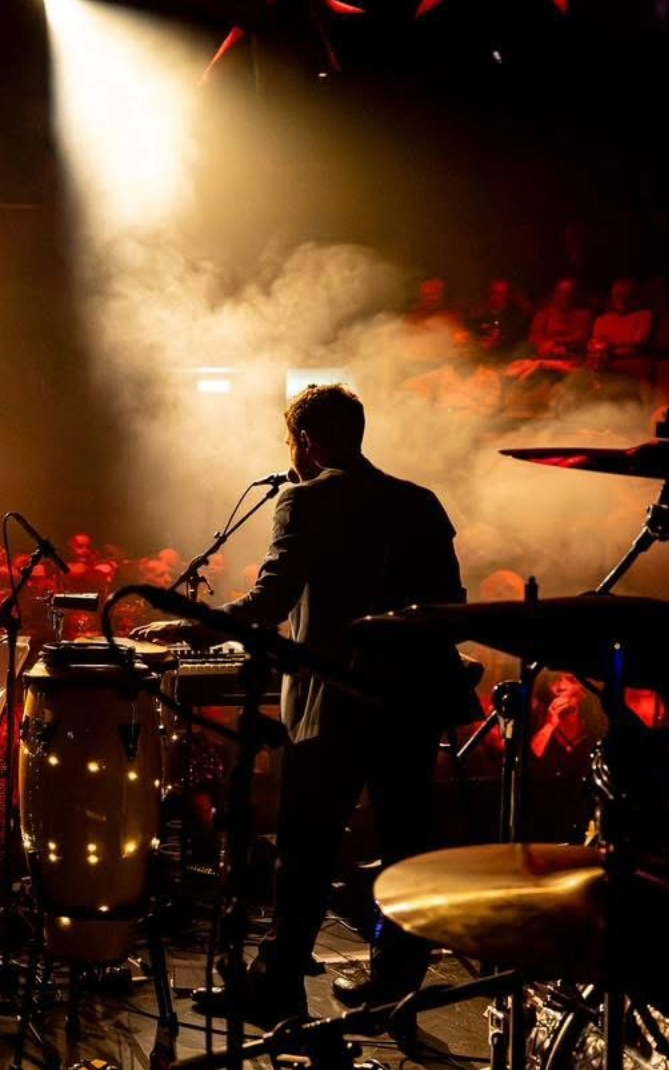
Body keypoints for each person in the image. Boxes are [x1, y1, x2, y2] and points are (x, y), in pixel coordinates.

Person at [132, 384, 468, 1025]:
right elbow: (450, 603)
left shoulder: (304, 499)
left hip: (335, 699)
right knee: (406, 845)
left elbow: (270, 601)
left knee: (305, 849)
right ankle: (395, 987)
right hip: (412, 698)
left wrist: (193, 627)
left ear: (305, 442)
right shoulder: (419, 501)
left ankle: (277, 986)